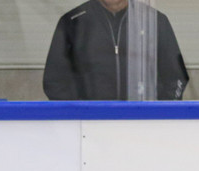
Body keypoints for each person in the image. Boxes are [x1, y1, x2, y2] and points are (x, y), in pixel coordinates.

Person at [43, 0, 189, 100]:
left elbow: (176, 77)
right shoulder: (73, 22)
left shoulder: (155, 21)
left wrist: (158, 113)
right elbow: (54, 81)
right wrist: (80, 113)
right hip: (88, 127)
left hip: (143, 124)